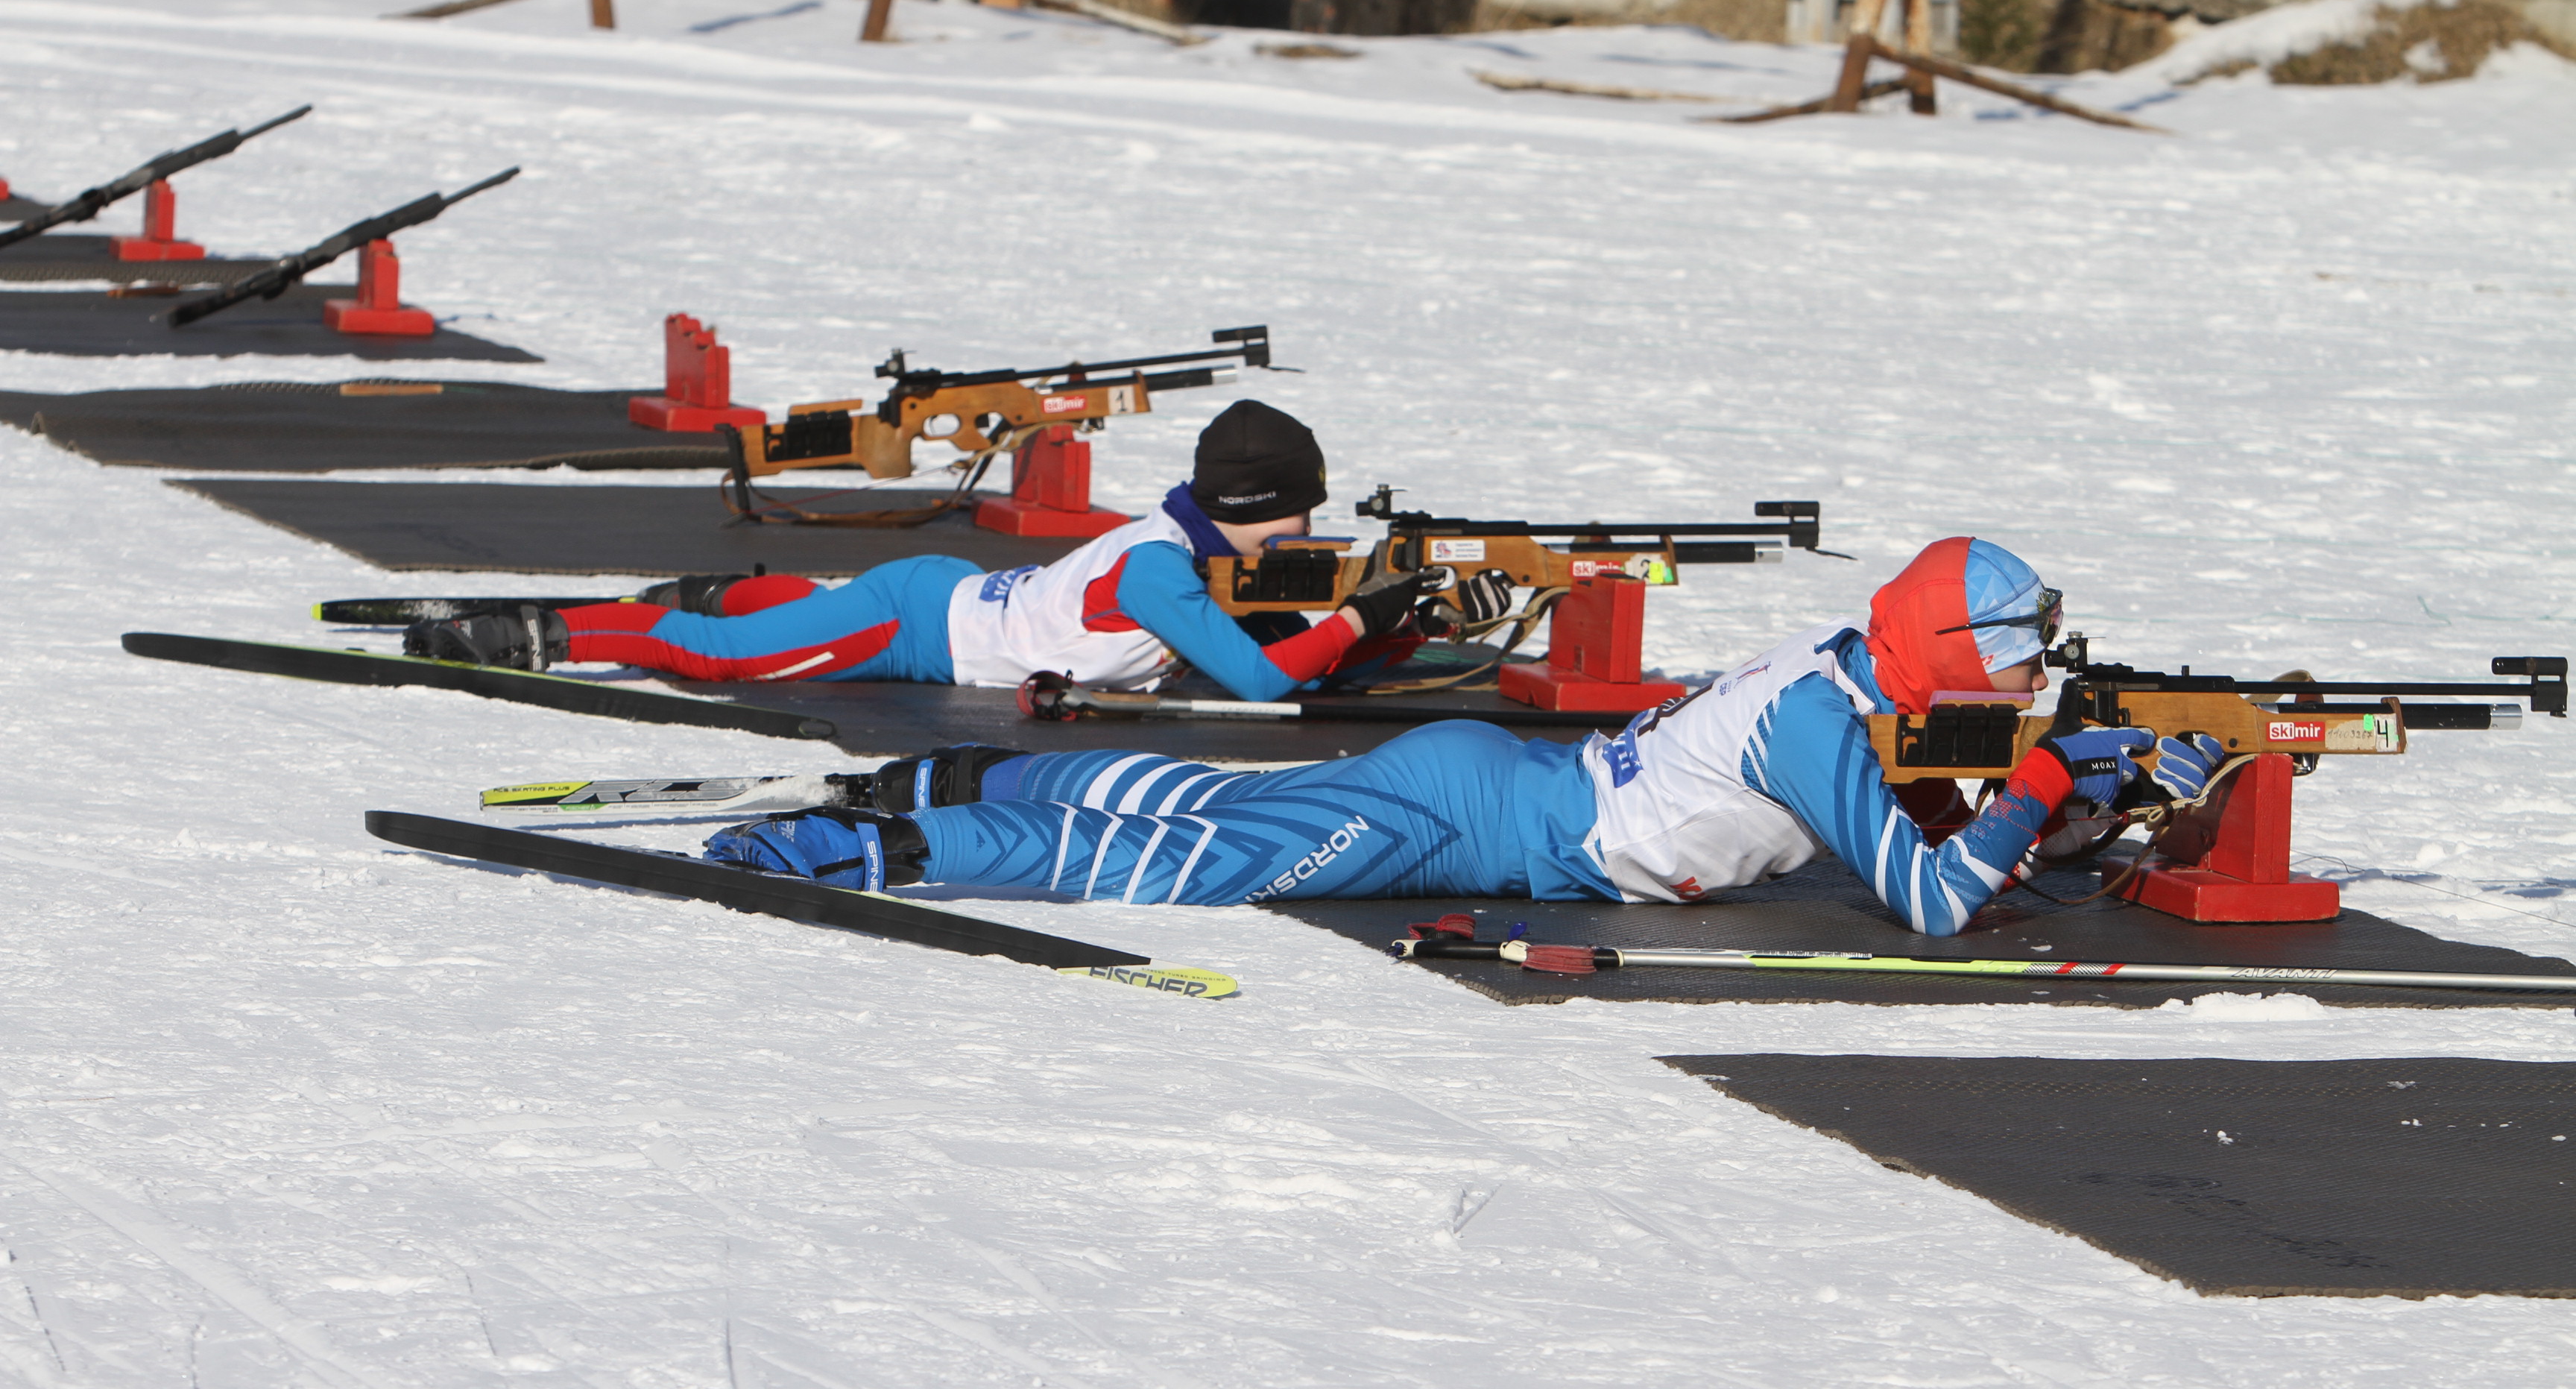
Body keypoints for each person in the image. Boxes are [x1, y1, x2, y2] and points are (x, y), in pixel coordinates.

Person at [702, 537, 2232, 936]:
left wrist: (2101, 803)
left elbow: (1964, 831)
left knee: (1218, 802)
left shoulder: (1860, 678)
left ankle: (966, 771)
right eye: (2013, 660)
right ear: (1949, 652)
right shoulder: (1827, 720)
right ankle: (885, 844)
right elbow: (1937, 895)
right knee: (1207, 861)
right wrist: (2053, 774)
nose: (2028, 681)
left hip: (1501, 793)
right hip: (1488, 823)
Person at [402, 401, 1448, 703]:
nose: (1306, 537)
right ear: (1254, 508)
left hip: (942, 600)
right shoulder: (1162, 571)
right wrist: (1361, 615)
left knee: (787, 622)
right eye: (1296, 518)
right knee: (718, 662)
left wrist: (1399, 628)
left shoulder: (1190, 551)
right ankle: (537, 633)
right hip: (914, 627)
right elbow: (1263, 683)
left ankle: (733, 592)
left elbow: (1309, 666)